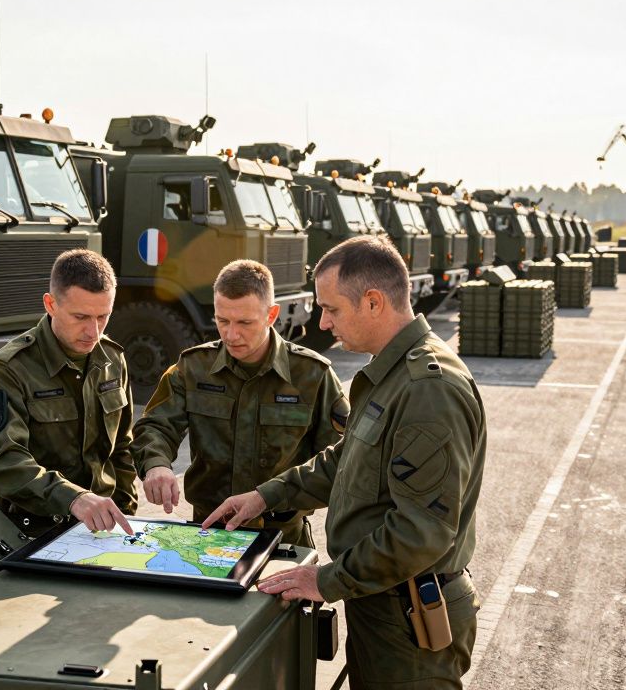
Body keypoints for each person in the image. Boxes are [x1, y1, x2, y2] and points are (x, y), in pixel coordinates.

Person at [203, 236, 486, 689]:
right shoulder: (393, 373)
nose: (323, 322)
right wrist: (264, 496)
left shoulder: (427, 389)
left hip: (409, 618)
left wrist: (327, 580)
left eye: (331, 309)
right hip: (384, 601)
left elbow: (422, 532)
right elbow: (346, 460)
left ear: (373, 302)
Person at [132, 259, 349, 547]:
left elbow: (342, 459)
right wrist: (156, 464)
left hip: (284, 538)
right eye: (222, 321)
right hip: (207, 534)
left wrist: (275, 496)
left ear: (271, 315)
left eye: (245, 323)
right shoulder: (193, 368)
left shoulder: (312, 375)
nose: (231, 335)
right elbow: (155, 426)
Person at [0, 249, 136, 537]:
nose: (93, 331)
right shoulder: (9, 369)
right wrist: (72, 498)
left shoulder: (112, 358)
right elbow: (3, 461)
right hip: (30, 530)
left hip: (99, 530)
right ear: (50, 304)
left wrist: (126, 512)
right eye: (80, 317)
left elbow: (122, 448)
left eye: (103, 316)